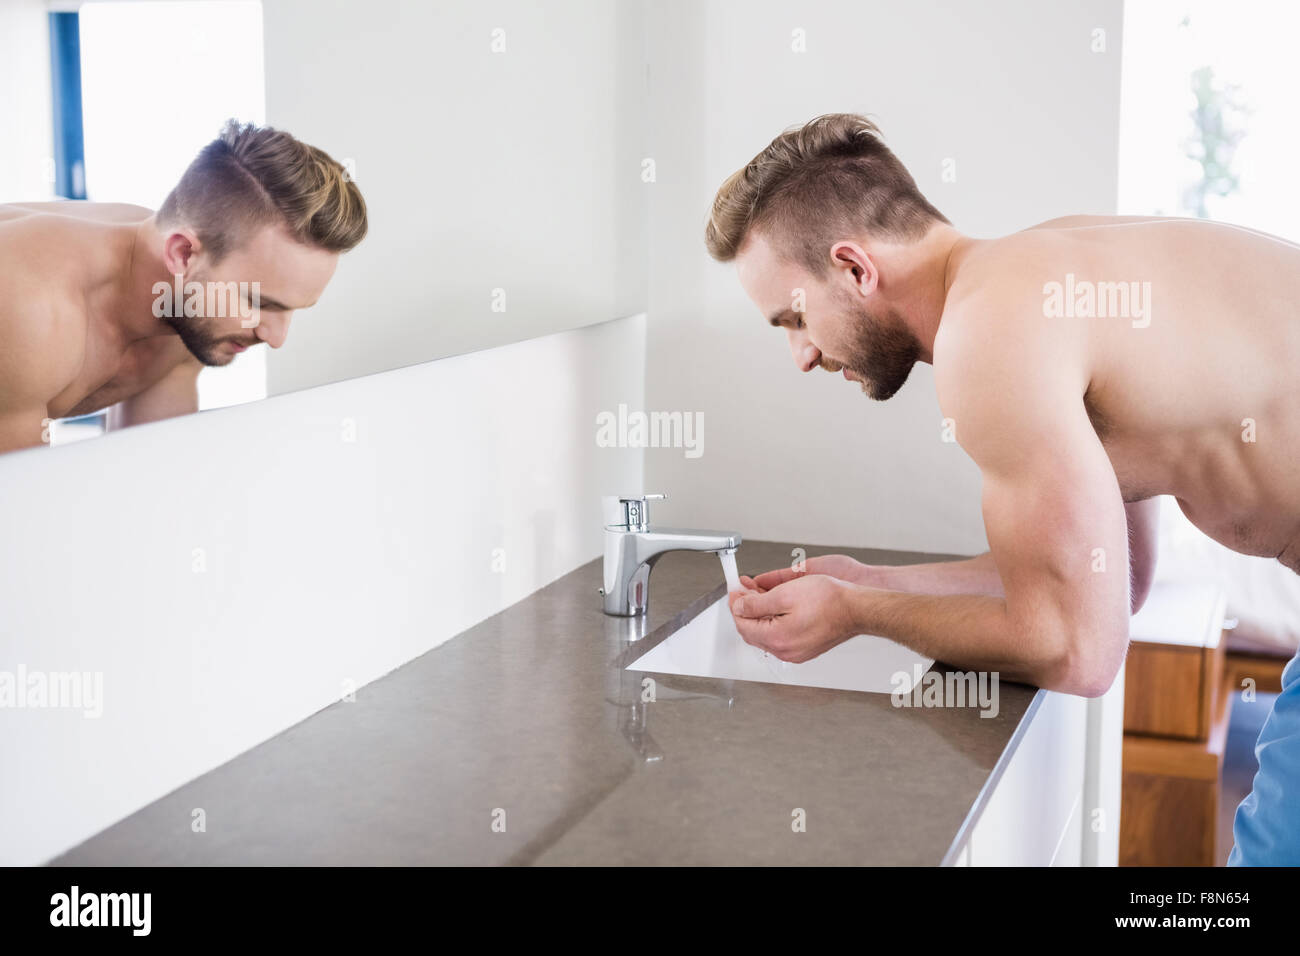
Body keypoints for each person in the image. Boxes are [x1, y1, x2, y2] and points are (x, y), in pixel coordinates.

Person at [707, 112, 1299, 865]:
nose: (800, 355)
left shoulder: (988, 334)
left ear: (854, 268)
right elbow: (1112, 583)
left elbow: (1081, 650)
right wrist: (871, 580)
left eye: (794, 318)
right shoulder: (1044, 270)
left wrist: (858, 613)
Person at [0, 120, 367, 453]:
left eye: (291, 309)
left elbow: (148, 485)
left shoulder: (189, 312)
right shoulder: (29, 309)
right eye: (257, 301)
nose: (276, 338)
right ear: (182, 253)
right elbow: (20, 510)